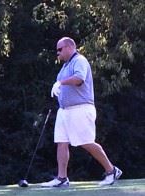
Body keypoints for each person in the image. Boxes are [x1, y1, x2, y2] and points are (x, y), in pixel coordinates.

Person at [41, 37, 122, 187]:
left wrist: (61, 83)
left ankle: (112, 170)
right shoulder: (65, 66)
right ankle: (62, 178)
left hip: (81, 109)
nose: (57, 53)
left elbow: (79, 79)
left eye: (60, 49)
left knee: (86, 142)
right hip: (64, 111)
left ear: (69, 47)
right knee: (61, 142)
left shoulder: (79, 60)